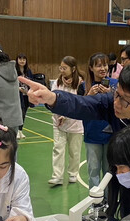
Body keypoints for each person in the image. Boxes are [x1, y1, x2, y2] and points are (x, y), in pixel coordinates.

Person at [78, 52, 117, 190]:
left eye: (105, 65)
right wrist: (89, 96)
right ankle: (95, 203)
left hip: (110, 135)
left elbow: (120, 107)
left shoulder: (115, 85)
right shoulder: (84, 86)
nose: (103, 68)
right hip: (92, 135)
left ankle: (109, 202)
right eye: (98, 65)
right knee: (93, 170)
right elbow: (79, 108)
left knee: (109, 172)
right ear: (91, 68)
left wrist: (110, 94)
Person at [48, 56, 84, 186]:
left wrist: (67, 115)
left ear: (73, 69)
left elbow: (80, 103)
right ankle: (57, 176)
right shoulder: (57, 83)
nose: (62, 70)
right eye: (61, 67)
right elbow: (51, 99)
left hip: (75, 123)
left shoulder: (80, 83)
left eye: (65, 68)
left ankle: (73, 173)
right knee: (58, 148)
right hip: (58, 122)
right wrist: (58, 113)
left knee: (74, 151)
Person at [16, 53, 33, 140]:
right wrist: (18, 88)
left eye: (24, 59)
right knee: (19, 112)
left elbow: (32, 82)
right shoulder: (14, 71)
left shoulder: (28, 71)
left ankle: (20, 131)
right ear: (17, 60)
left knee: (24, 113)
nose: (22, 61)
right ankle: (16, 131)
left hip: (26, 95)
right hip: (18, 95)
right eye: (20, 59)